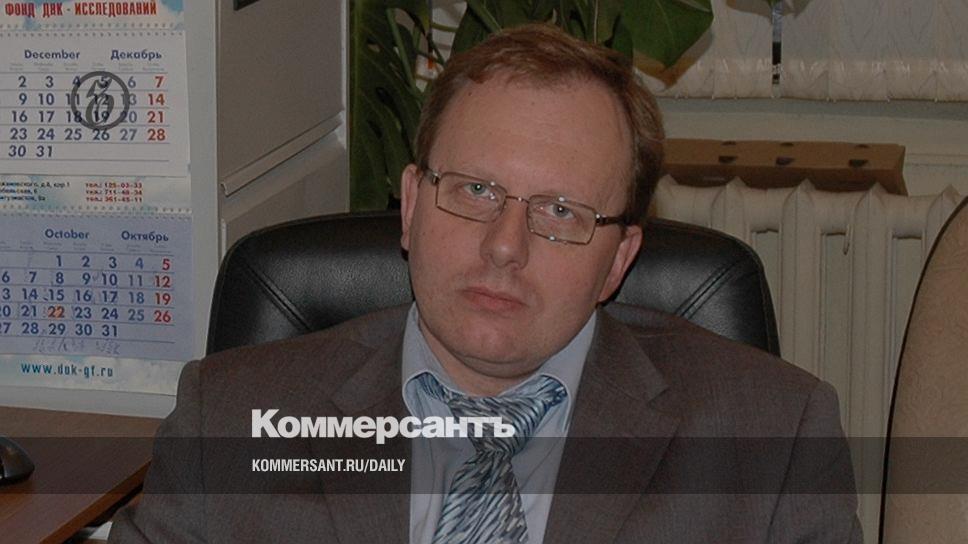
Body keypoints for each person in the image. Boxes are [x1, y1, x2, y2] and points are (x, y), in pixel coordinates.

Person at [109, 23, 861, 543]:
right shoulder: (227, 421)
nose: (505, 246)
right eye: (474, 191)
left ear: (619, 259)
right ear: (411, 206)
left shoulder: (774, 439)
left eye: (560, 211)